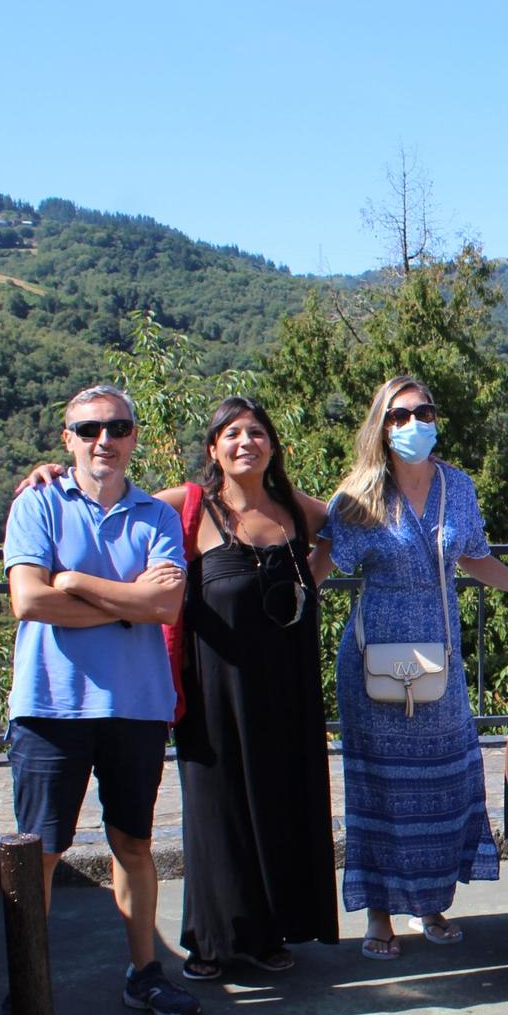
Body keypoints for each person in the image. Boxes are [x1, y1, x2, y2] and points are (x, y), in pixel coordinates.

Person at [0, 383, 197, 1015]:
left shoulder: (156, 516)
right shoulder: (37, 503)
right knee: (41, 855)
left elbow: (167, 606)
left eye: (116, 426)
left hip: (135, 707)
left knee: (134, 846)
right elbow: (28, 600)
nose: (102, 439)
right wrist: (128, 600)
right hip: (50, 706)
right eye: (88, 429)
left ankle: (145, 972)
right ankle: (22, 994)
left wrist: (76, 582)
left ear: (134, 435)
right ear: (67, 438)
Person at [326, 374, 508, 958]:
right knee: (381, 788)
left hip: (440, 657)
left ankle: (431, 903)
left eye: (421, 412)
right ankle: (379, 914)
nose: (411, 424)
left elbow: (474, 557)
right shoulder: (360, 495)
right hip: (374, 657)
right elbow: (320, 556)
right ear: (382, 425)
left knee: (444, 778)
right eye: (398, 416)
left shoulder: (458, 486)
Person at [162, 397, 338, 980]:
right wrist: (55, 478)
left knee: (277, 802)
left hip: (285, 685)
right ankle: (210, 940)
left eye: (257, 432)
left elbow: (349, 522)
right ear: (213, 448)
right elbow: (118, 506)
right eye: (232, 433)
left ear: (273, 446)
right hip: (214, 689)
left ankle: (269, 933)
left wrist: (309, 580)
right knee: (218, 811)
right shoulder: (191, 508)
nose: (246, 442)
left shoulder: (294, 509)